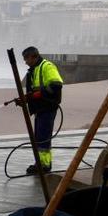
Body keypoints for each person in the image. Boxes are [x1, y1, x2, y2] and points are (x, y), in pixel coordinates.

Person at [21, 46, 63, 174]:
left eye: (26, 59)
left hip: (48, 107)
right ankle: (39, 163)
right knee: (39, 138)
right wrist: (26, 99)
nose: (25, 62)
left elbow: (56, 85)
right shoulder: (33, 70)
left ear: (33, 57)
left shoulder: (47, 66)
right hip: (40, 109)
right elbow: (33, 91)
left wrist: (39, 94)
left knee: (43, 138)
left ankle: (44, 166)